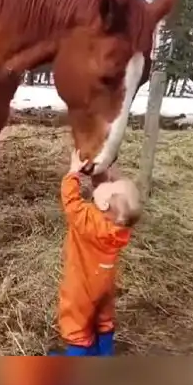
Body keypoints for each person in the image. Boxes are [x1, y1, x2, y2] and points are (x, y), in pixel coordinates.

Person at [55, 150, 142, 356]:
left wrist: (73, 173)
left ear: (103, 204)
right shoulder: (120, 228)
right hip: (104, 286)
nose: (105, 183)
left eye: (108, 186)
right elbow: (119, 198)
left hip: (81, 287)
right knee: (104, 319)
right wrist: (109, 170)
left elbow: (71, 202)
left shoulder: (87, 220)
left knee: (76, 324)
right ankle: (105, 353)